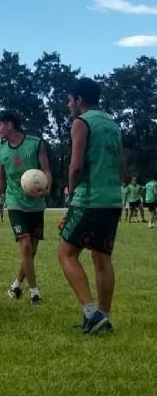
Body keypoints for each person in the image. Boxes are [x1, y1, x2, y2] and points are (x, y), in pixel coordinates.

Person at [58, 78, 122, 335]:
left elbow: (76, 166)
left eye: (69, 100)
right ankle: (104, 318)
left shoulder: (81, 122)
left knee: (66, 253)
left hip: (90, 198)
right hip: (113, 198)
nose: (68, 105)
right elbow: (121, 163)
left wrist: (70, 194)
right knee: (101, 256)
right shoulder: (113, 124)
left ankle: (90, 312)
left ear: (79, 100)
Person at [0, 110, 51, 305]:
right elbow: (0, 181)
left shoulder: (35, 143)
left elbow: (46, 170)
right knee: (26, 246)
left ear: (9, 125)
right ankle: (35, 293)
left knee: (31, 252)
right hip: (15, 203)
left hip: (36, 204)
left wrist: (47, 188)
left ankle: (16, 286)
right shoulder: (1, 151)